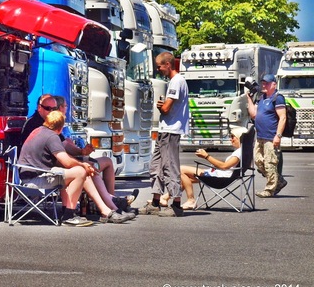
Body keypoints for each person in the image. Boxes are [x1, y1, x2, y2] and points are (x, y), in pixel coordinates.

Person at [17, 110, 132, 226]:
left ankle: (106, 209)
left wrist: (83, 162)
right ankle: (70, 215)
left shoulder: (39, 131)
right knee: (80, 172)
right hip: (35, 181)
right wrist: (83, 165)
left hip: (28, 177)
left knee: (79, 171)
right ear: (61, 128)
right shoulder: (51, 137)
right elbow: (66, 161)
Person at [53, 95, 138, 212]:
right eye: (66, 106)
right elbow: (62, 156)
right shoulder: (51, 129)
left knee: (107, 162)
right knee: (89, 170)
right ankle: (111, 204)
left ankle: (111, 200)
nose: (68, 109)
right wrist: (82, 162)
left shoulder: (59, 126)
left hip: (75, 160)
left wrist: (82, 151)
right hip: (65, 166)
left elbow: (66, 146)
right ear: (59, 108)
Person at [139, 51, 189, 217]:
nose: (159, 69)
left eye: (160, 66)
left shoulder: (176, 81)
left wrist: (161, 106)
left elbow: (166, 108)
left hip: (171, 131)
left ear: (168, 64)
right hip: (165, 130)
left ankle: (176, 204)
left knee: (170, 166)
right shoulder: (175, 82)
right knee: (156, 166)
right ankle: (155, 202)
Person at [160, 125, 247, 210]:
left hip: (220, 177)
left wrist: (206, 156)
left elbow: (224, 166)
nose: (230, 139)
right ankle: (165, 198)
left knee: (180, 169)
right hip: (221, 175)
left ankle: (191, 200)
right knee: (185, 179)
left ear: (240, 138)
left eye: (233, 137)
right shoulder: (244, 151)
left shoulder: (239, 153)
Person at [246, 73, 288, 197]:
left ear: (274, 85)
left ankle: (270, 189)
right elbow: (253, 114)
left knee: (270, 163)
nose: (264, 85)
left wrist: (278, 136)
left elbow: (283, 118)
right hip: (260, 136)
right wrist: (249, 98)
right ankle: (279, 181)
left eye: (267, 83)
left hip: (271, 136)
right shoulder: (262, 97)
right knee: (259, 161)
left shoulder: (277, 98)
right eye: (263, 83)